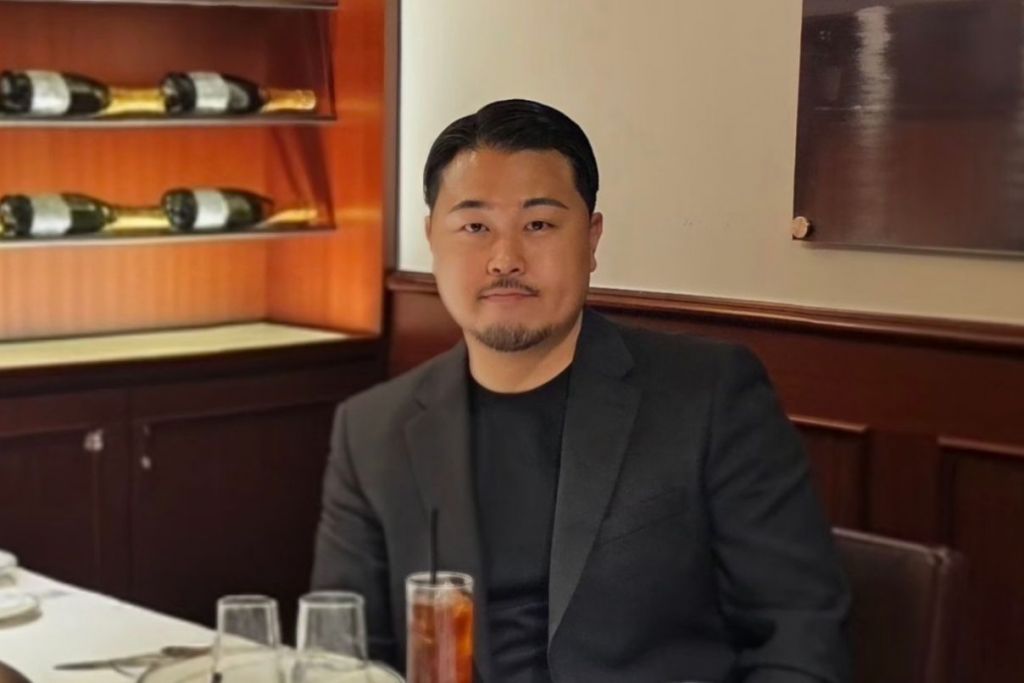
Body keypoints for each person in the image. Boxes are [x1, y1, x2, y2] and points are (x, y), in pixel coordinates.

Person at [312, 99, 850, 683]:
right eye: (475, 227)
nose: (505, 259)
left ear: (591, 240)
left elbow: (799, 635)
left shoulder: (709, 395)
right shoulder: (373, 430)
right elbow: (344, 660)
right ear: (432, 242)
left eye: (539, 225)